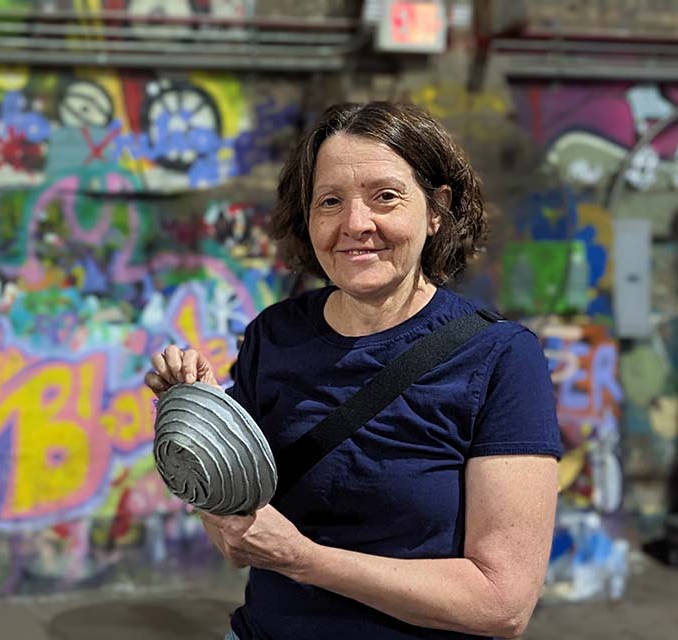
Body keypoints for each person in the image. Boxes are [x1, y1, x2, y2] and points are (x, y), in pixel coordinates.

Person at [144, 102, 562, 639]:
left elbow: (502, 605)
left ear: (436, 210)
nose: (355, 224)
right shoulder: (275, 335)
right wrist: (197, 417)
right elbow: (231, 522)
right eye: (330, 201)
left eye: (385, 196)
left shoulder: (501, 358)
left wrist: (304, 559)